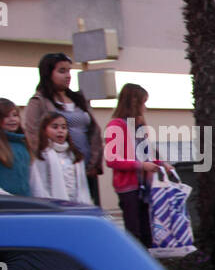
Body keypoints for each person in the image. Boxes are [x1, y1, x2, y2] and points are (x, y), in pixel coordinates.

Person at [23, 52, 104, 206]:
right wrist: (44, 161)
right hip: (56, 170)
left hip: (84, 167)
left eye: (69, 71)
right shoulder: (38, 101)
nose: (68, 76)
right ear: (48, 73)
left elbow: (94, 131)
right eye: (62, 71)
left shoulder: (79, 99)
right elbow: (32, 135)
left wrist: (94, 162)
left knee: (88, 212)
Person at [105, 83, 168, 247]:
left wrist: (162, 164)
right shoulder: (116, 126)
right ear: (134, 102)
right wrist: (140, 166)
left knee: (146, 229)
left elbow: (147, 151)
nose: (145, 108)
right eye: (143, 102)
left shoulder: (139, 126)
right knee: (134, 230)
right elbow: (112, 160)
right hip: (128, 186)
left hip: (144, 185)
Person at [29, 111, 93, 204]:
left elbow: (82, 186)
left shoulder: (74, 156)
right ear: (44, 130)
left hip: (76, 205)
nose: (60, 130)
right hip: (53, 206)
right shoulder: (42, 156)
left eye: (64, 127)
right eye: (55, 127)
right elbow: (40, 186)